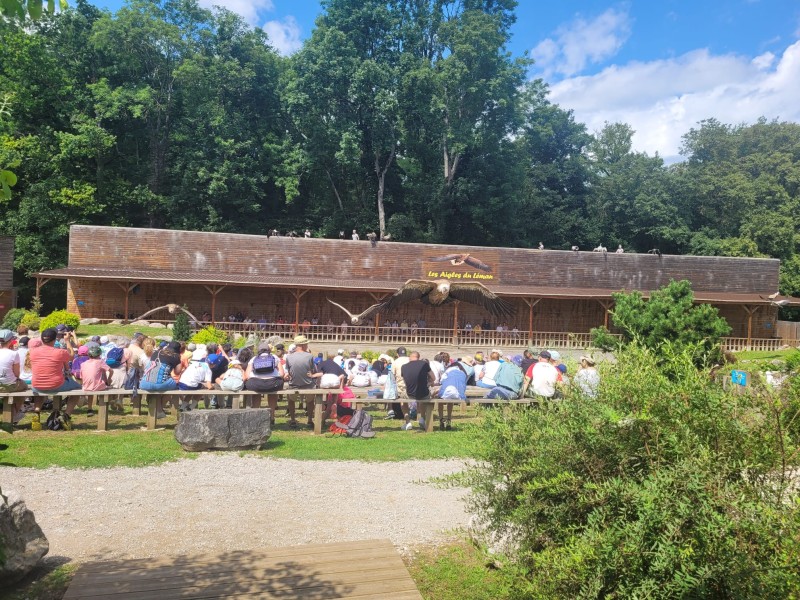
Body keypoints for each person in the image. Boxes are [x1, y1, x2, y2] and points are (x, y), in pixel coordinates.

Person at [29, 327, 82, 429]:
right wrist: (67, 341)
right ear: (54, 340)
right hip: (56, 384)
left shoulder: (32, 352)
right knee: (78, 389)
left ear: (42, 339)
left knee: (41, 391)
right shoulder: (60, 352)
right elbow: (72, 356)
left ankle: (37, 412)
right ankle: (66, 415)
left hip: (36, 385)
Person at [140, 341, 184, 417]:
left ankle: (158, 410)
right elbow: (177, 372)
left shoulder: (156, 352)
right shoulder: (175, 356)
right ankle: (159, 410)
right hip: (160, 384)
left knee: (157, 389)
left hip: (145, 383)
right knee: (173, 388)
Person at [284, 335, 319, 429]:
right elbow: (312, 370)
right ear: (303, 345)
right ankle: (310, 420)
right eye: (306, 344)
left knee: (290, 400)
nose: (307, 345)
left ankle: (292, 420)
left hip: (294, 384)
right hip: (308, 385)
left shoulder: (289, 357)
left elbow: (289, 371)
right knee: (310, 401)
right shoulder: (309, 356)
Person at [400, 351, 434, 430]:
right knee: (422, 398)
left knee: (402, 400)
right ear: (418, 357)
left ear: (410, 357)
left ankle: (408, 422)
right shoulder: (424, 364)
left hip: (409, 393)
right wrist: (429, 383)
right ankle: (422, 418)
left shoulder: (404, 366)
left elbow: (405, 382)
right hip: (424, 393)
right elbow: (433, 377)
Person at [0, 329, 27, 425]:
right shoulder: (14, 354)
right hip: (9, 385)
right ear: (11, 341)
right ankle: (15, 413)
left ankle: (14, 413)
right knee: (24, 388)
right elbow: (17, 374)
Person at [79, 346, 113, 417]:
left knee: (92, 387)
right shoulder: (100, 362)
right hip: (96, 386)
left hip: (85, 387)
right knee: (109, 387)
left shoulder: (83, 364)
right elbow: (111, 371)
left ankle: (89, 408)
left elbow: (82, 377)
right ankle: (110, 403)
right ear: (99, 355)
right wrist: (109, 379)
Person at [438, 360, 467, 430]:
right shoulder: (463, 373)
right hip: (459, 394)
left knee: (440, 400)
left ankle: (441, 419)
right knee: (450, 400)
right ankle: (449, 419)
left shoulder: (447, 372)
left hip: (447, 390)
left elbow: (441, 381)